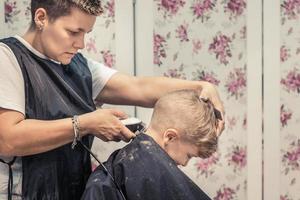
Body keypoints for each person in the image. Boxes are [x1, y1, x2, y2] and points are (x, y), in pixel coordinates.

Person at [0, 0, 224, 199]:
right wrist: (86, 124)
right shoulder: (8, 58)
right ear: (41, 18)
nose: (81, 44)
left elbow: (138, 87)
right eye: (73, 32)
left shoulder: (79, 66)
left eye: (86, 33)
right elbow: (8, 138)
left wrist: (200, 86)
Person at [81, 89, 219, 200]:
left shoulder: (114, 169)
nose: (184, 163)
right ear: (170, 137)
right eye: (189, 156)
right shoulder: (144, 172)